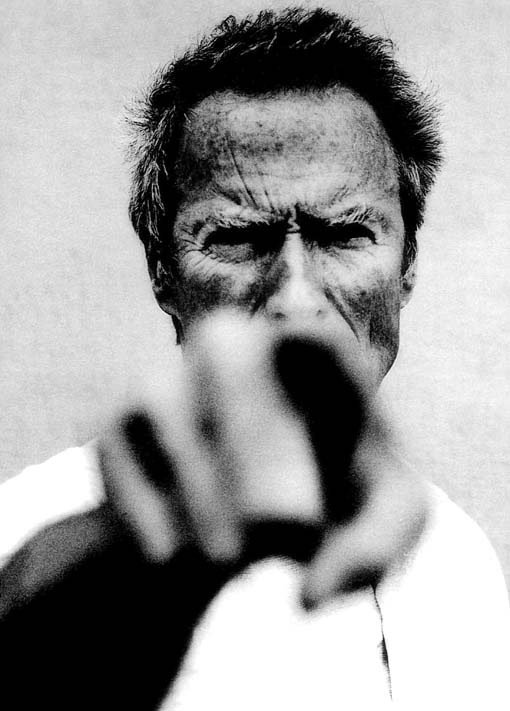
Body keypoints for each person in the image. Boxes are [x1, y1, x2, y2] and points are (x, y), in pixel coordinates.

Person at [0, 7, 509, 710]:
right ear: (162, 270)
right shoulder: (38, 531)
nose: (295, 300)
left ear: (408, 264)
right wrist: (121, 567)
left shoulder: (457, 559)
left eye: (344, 234)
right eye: (239, 238)